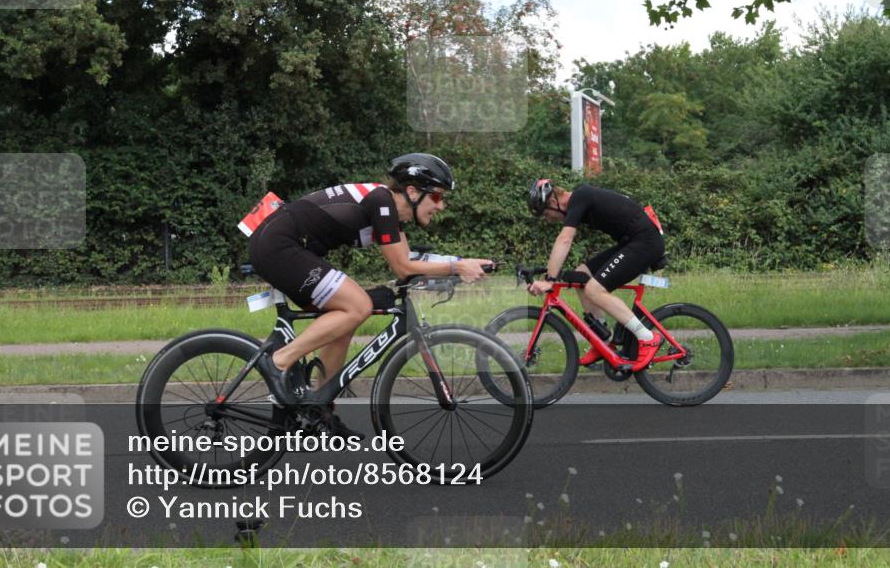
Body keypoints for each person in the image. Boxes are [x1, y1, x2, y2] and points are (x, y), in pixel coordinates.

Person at [248, 153, 493, 437]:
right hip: (279, 245)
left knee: (344, 319)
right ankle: (279, 362)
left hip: (286, 244)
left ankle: (319, 409)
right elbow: (402, 266)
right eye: (437, 197)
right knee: (357, 305)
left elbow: (408, 263)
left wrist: (459, 265)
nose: (441, 205)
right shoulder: (382, 202)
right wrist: (457, 266)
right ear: (412, 191)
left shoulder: (389, 214)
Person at [526, 179, 666, 368]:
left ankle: (647, 337)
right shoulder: (579, 201)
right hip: (632, 241)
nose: (547, 218)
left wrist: (550, 279)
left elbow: (565, 239)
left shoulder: (580, 196)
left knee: (594, 289)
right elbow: (564, 243)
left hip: (645, 242)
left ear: (552, 202)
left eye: (545, 213)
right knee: (581, 274)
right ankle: (603, 342)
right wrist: (550, 274)